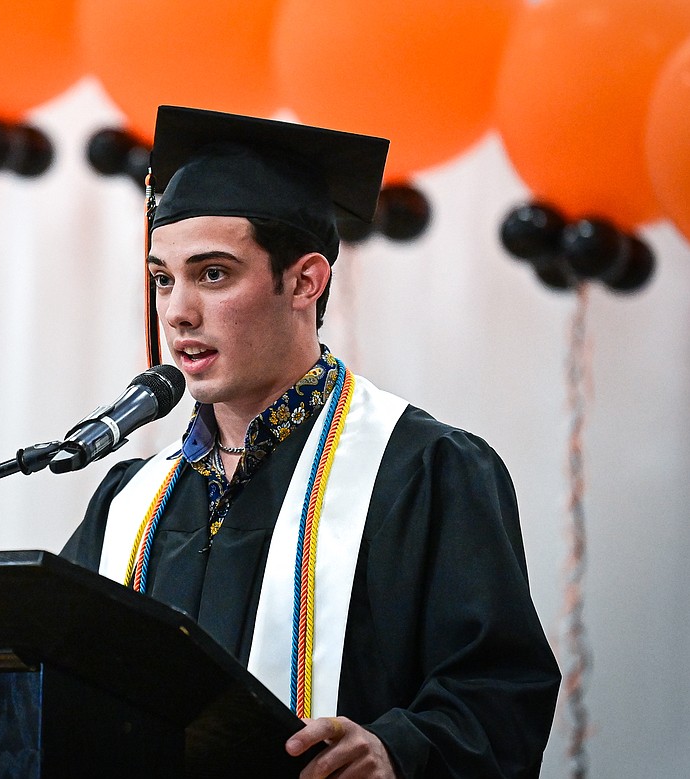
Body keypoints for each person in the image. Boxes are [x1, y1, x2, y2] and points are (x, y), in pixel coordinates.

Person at [61, 106, 561, 778]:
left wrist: (398, 752)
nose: (178, 310)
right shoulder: (128, 504)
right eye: (163, 278)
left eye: (213, 274)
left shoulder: (425, 471)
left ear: (305, 281)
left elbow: (500, 696)